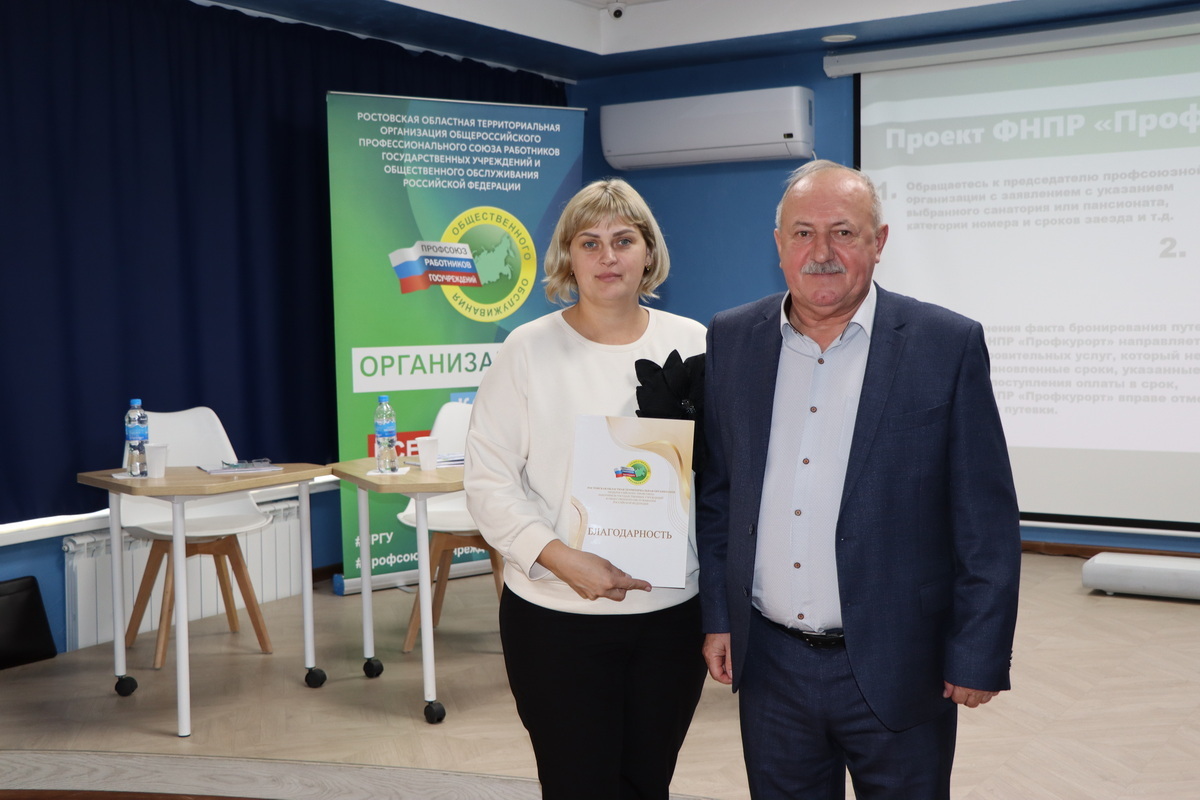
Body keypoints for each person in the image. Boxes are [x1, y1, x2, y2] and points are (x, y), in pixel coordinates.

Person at [697, 159, 1021, 799]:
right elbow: (719, 493)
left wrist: (977, 651)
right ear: (779, 244)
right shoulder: (733, 339)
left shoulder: (945, 343)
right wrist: (719, 615)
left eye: (843, 232)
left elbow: (984, 520)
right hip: (771, 666)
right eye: (803, 233)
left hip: (903, 664)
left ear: (879, 242)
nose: (821, 252)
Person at [464, 178, 708, 800]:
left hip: (670, 616)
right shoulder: (526, 350)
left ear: (648, 253)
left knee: (647, 784)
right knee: (577, 785)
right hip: (556, 616)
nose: (607, 257)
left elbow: (721, 475)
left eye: (623, 240)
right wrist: (561, 559)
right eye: (589, 242)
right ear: (567, 257)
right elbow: (489, 481)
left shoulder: (695, 342)